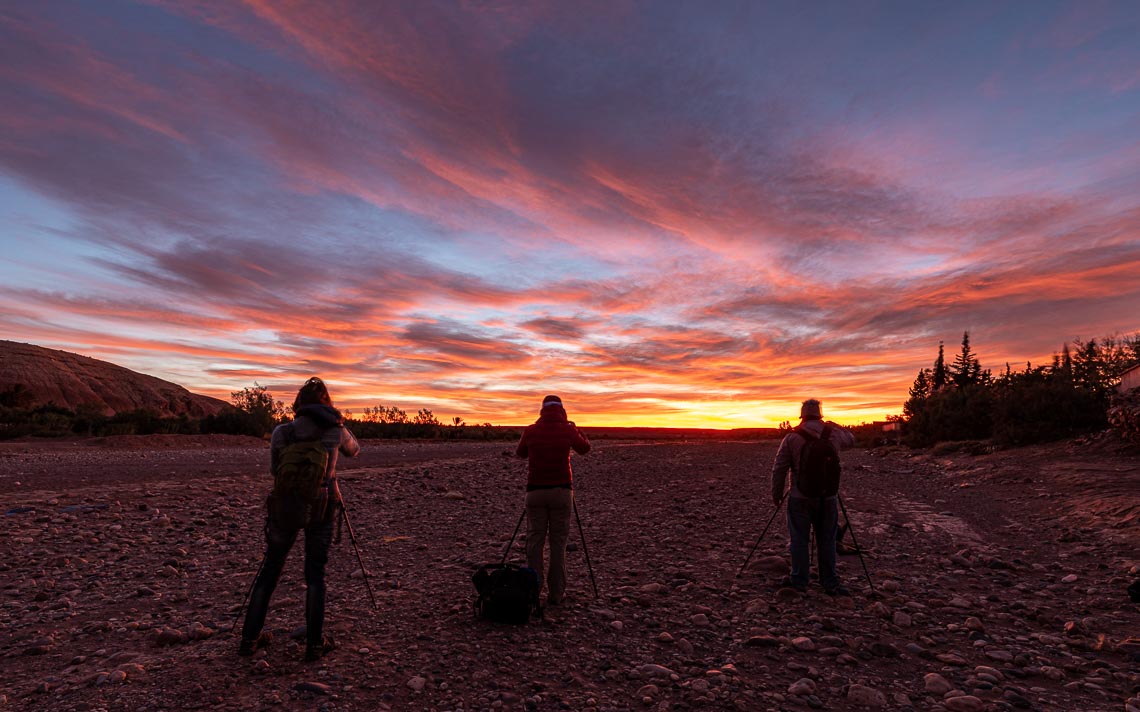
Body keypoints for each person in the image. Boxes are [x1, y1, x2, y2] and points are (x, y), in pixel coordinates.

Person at [239, 377, 360, 661]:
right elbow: (355, 450)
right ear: (325, 403)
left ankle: (249, 639)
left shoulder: (283, 432)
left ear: (298, 404)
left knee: (270, 569)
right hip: (323, 504)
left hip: (286, 504)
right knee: (315, 574)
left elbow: (274, 470)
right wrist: (339, 423)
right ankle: (315, 644)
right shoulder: (334, 430)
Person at [770, 398, 855, 595]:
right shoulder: (832, 433)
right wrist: (835, 425)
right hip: (829, 497)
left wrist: (777, 494)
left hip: (800, 496)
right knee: (827, 539)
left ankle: (799, 580)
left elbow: (780, 467)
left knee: (799, 539)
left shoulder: (792, 437)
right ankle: (830, 582)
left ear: (802, 415)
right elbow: (851, 440)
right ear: (820, 414)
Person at [515, 394, 590, 606]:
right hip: (562, 492)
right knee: (558, 543)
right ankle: (556, 594)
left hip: (535, 492)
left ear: (542, 410)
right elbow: (584, 448)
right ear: (562, 410)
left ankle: (533, 591)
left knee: (534, 542)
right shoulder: (568, 429)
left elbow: (520, 453)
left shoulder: (531, 430)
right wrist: (579, 431)